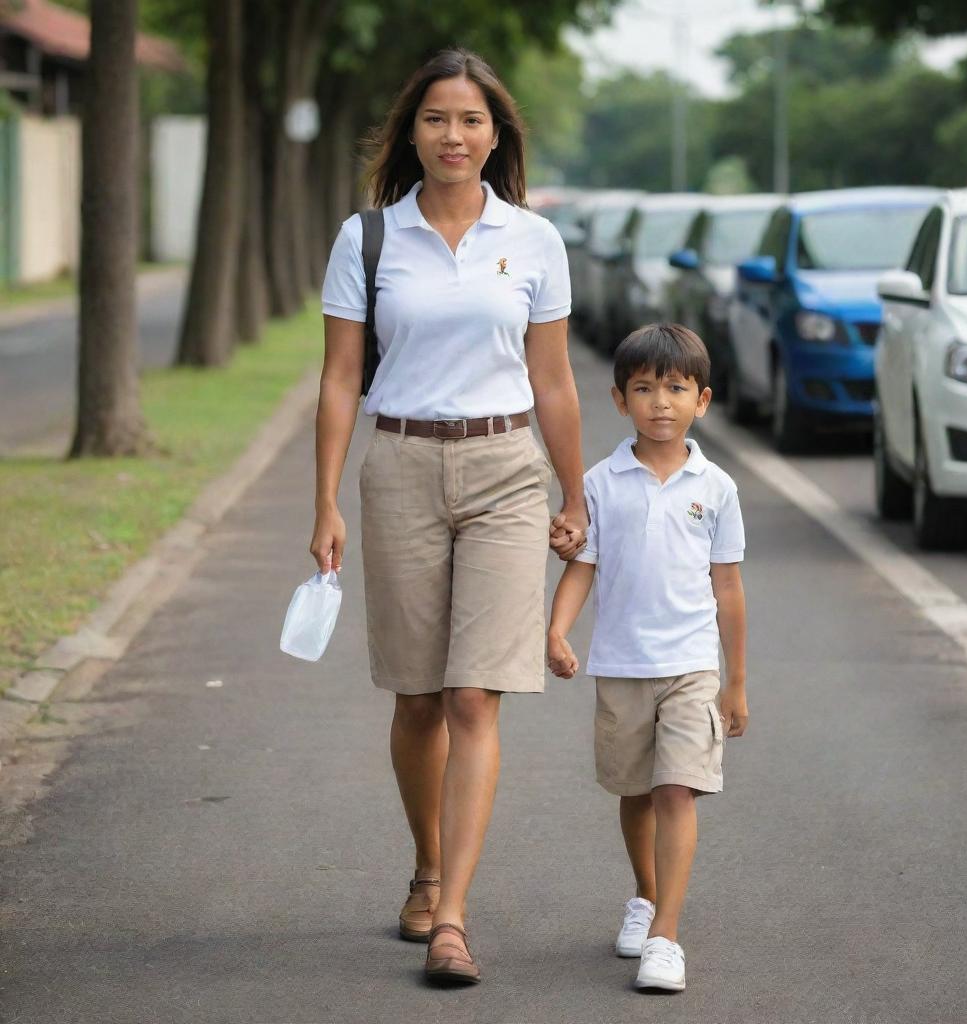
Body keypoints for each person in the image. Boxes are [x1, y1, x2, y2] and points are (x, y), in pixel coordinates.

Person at [311, 48, 587, 985]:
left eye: (471, 120)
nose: (454, 136)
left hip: (508, 469)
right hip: (400, 466)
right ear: (412, 132)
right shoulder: (368, 239)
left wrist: (575, 491)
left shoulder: (534, 240)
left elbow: (553, 379)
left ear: (496, 133)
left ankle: (454, 919)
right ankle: (425, 865)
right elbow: (342, 378)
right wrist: (324, 503)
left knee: (476, 694)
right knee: (419, 695)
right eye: (436, 119)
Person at [547, 324, 749, 993]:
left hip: (692, 666)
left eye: (675, 388)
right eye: (644, 388)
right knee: (634, 793)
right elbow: (583, 565)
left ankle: (665, 933)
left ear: (703, 400)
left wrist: (736, 683)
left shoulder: (715, 487)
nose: (660, 401)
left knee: (674, 791)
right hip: (621, 663)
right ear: (618, 398)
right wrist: (557, 630)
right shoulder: (601, 483)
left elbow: (729, 589)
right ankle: (644, 893)